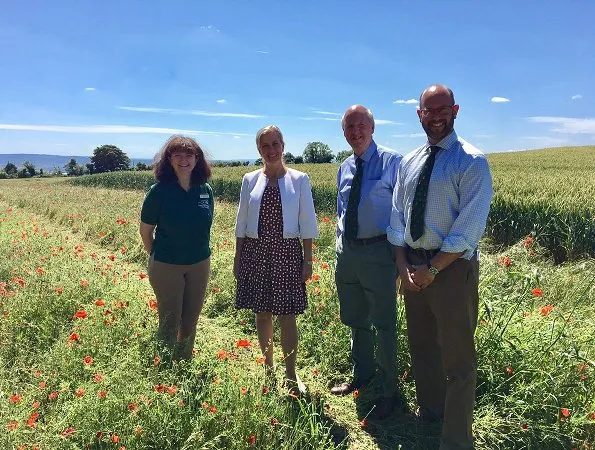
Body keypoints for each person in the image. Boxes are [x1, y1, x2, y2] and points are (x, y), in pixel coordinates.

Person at [387, 85, 493, 449]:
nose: (435, 116)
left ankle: (455, 439)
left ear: (456, 110)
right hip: (413, 267)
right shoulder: (409, 161)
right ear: (419, 115)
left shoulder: (472, 161)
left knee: (458, 359)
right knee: (422, 349)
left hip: (451, 272)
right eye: (428, 111)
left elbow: (469, 227)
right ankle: (430, 418)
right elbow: (398, 216)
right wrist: (403, 267)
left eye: (442, 109)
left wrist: (432, 269)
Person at [234, 125, 318, 393]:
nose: (271, 150)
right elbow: (242, 221)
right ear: (259, 150)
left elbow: (307, 222)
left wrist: (308, 259)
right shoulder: (249, 180)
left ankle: (291, 374)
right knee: (262, 314)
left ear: (283, 145)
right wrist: (238, 256)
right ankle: (268, 370)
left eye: (275, 144)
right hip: (256, 252)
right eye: (265, 146)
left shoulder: (299, 179)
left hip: (287, 253)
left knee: (287, 315)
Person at [331, 105, 402, 419]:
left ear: (372, 128)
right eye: (349, 127)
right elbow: (342, 211)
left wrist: (402, 259)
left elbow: (404, 213)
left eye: (361, 125)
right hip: (347, 253)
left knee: (385, 324)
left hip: (379, 252)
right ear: (344, 132)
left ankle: (390, 392)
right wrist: (338, 245)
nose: (355, 132)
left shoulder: (393, 162)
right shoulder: (344, 167)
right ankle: (363, 375)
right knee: (355, 317)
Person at [139, 135, 213, 362]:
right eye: (177, 154)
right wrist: (158, 257)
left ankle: (184, 362)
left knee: (191, 318)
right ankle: (164, 368)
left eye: (189, 154)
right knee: (170, 319)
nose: (184, 159)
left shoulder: (205, 190)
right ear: (168, 159)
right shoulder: (159, 191)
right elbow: (145, 232)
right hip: (167, 265)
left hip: (199, 263)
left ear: (197, 158)